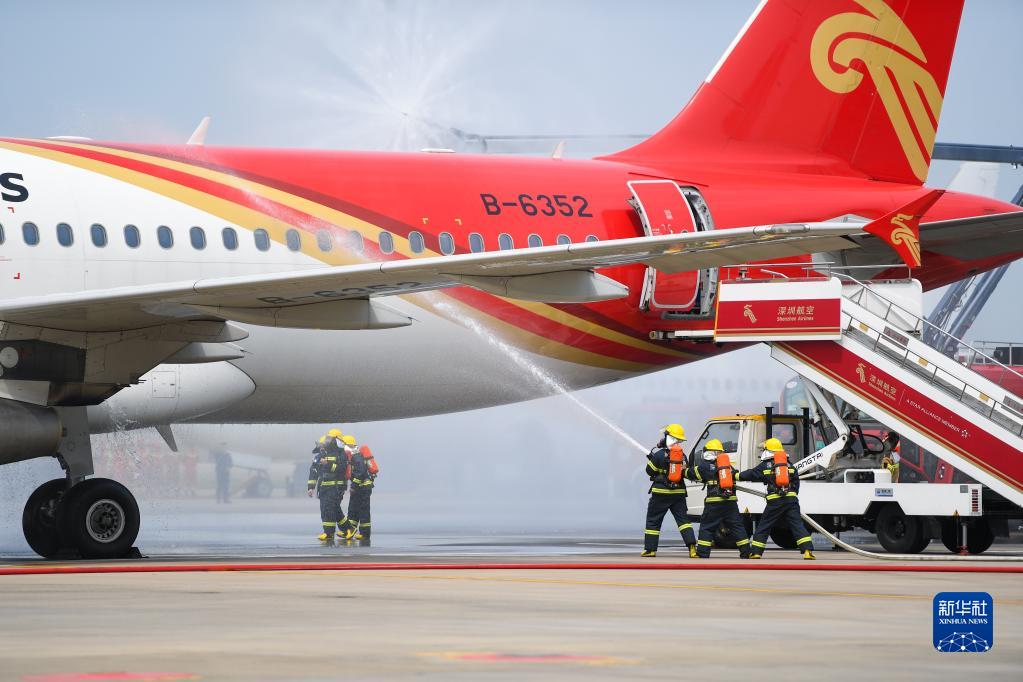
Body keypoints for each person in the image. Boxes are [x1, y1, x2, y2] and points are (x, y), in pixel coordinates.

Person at [737, 437, 815, 560]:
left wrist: (736, 476)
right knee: (797, 525)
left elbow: (751, 474)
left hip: (775, 501)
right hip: (791, 501)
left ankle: (756, 552)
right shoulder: (789, 464)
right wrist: (793, 495)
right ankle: (808, 551)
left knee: (764, 526)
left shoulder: (766, 465)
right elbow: (796, 481)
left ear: (768, 450)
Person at [686, 439, 750, 559]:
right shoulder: (728, 466)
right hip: (730, 501)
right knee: (737, 527)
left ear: (708, 452)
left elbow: (692, 473)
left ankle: (703, 553)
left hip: (714, 502)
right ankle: (746, 552)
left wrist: (682, 471)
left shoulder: (705, 466)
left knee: (707, 527)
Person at [641, 424, 697, 558]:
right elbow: (685, 472)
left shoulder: (659, 455)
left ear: (668, 437)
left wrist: (654, 460)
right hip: (678, 493)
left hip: (660, 493)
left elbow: (649, 471)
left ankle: (650, 550)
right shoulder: (682, 456)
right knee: (683, 521)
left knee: (653, 521)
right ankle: (692, 548)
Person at [307, 430, 348, 545]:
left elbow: (341, 469)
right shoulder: (321, 456)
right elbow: (314, 472)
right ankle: (347, 529)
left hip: (334, 488)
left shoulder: (340, 454)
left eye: (329, 439)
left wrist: (327, 464)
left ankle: (329, 533)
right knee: (329, 510)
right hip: (324, 489)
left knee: (330, 510)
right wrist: (311, 487)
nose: (325, 444)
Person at [344, 434, 378, 546]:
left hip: (363, 487)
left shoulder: (357, 456)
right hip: (359, 487)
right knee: (353, 509)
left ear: (349, 445)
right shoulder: (353, 456)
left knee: (363, 511)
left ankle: (365, 534)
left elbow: (360, 472)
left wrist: (353, 486)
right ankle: (351, 530)